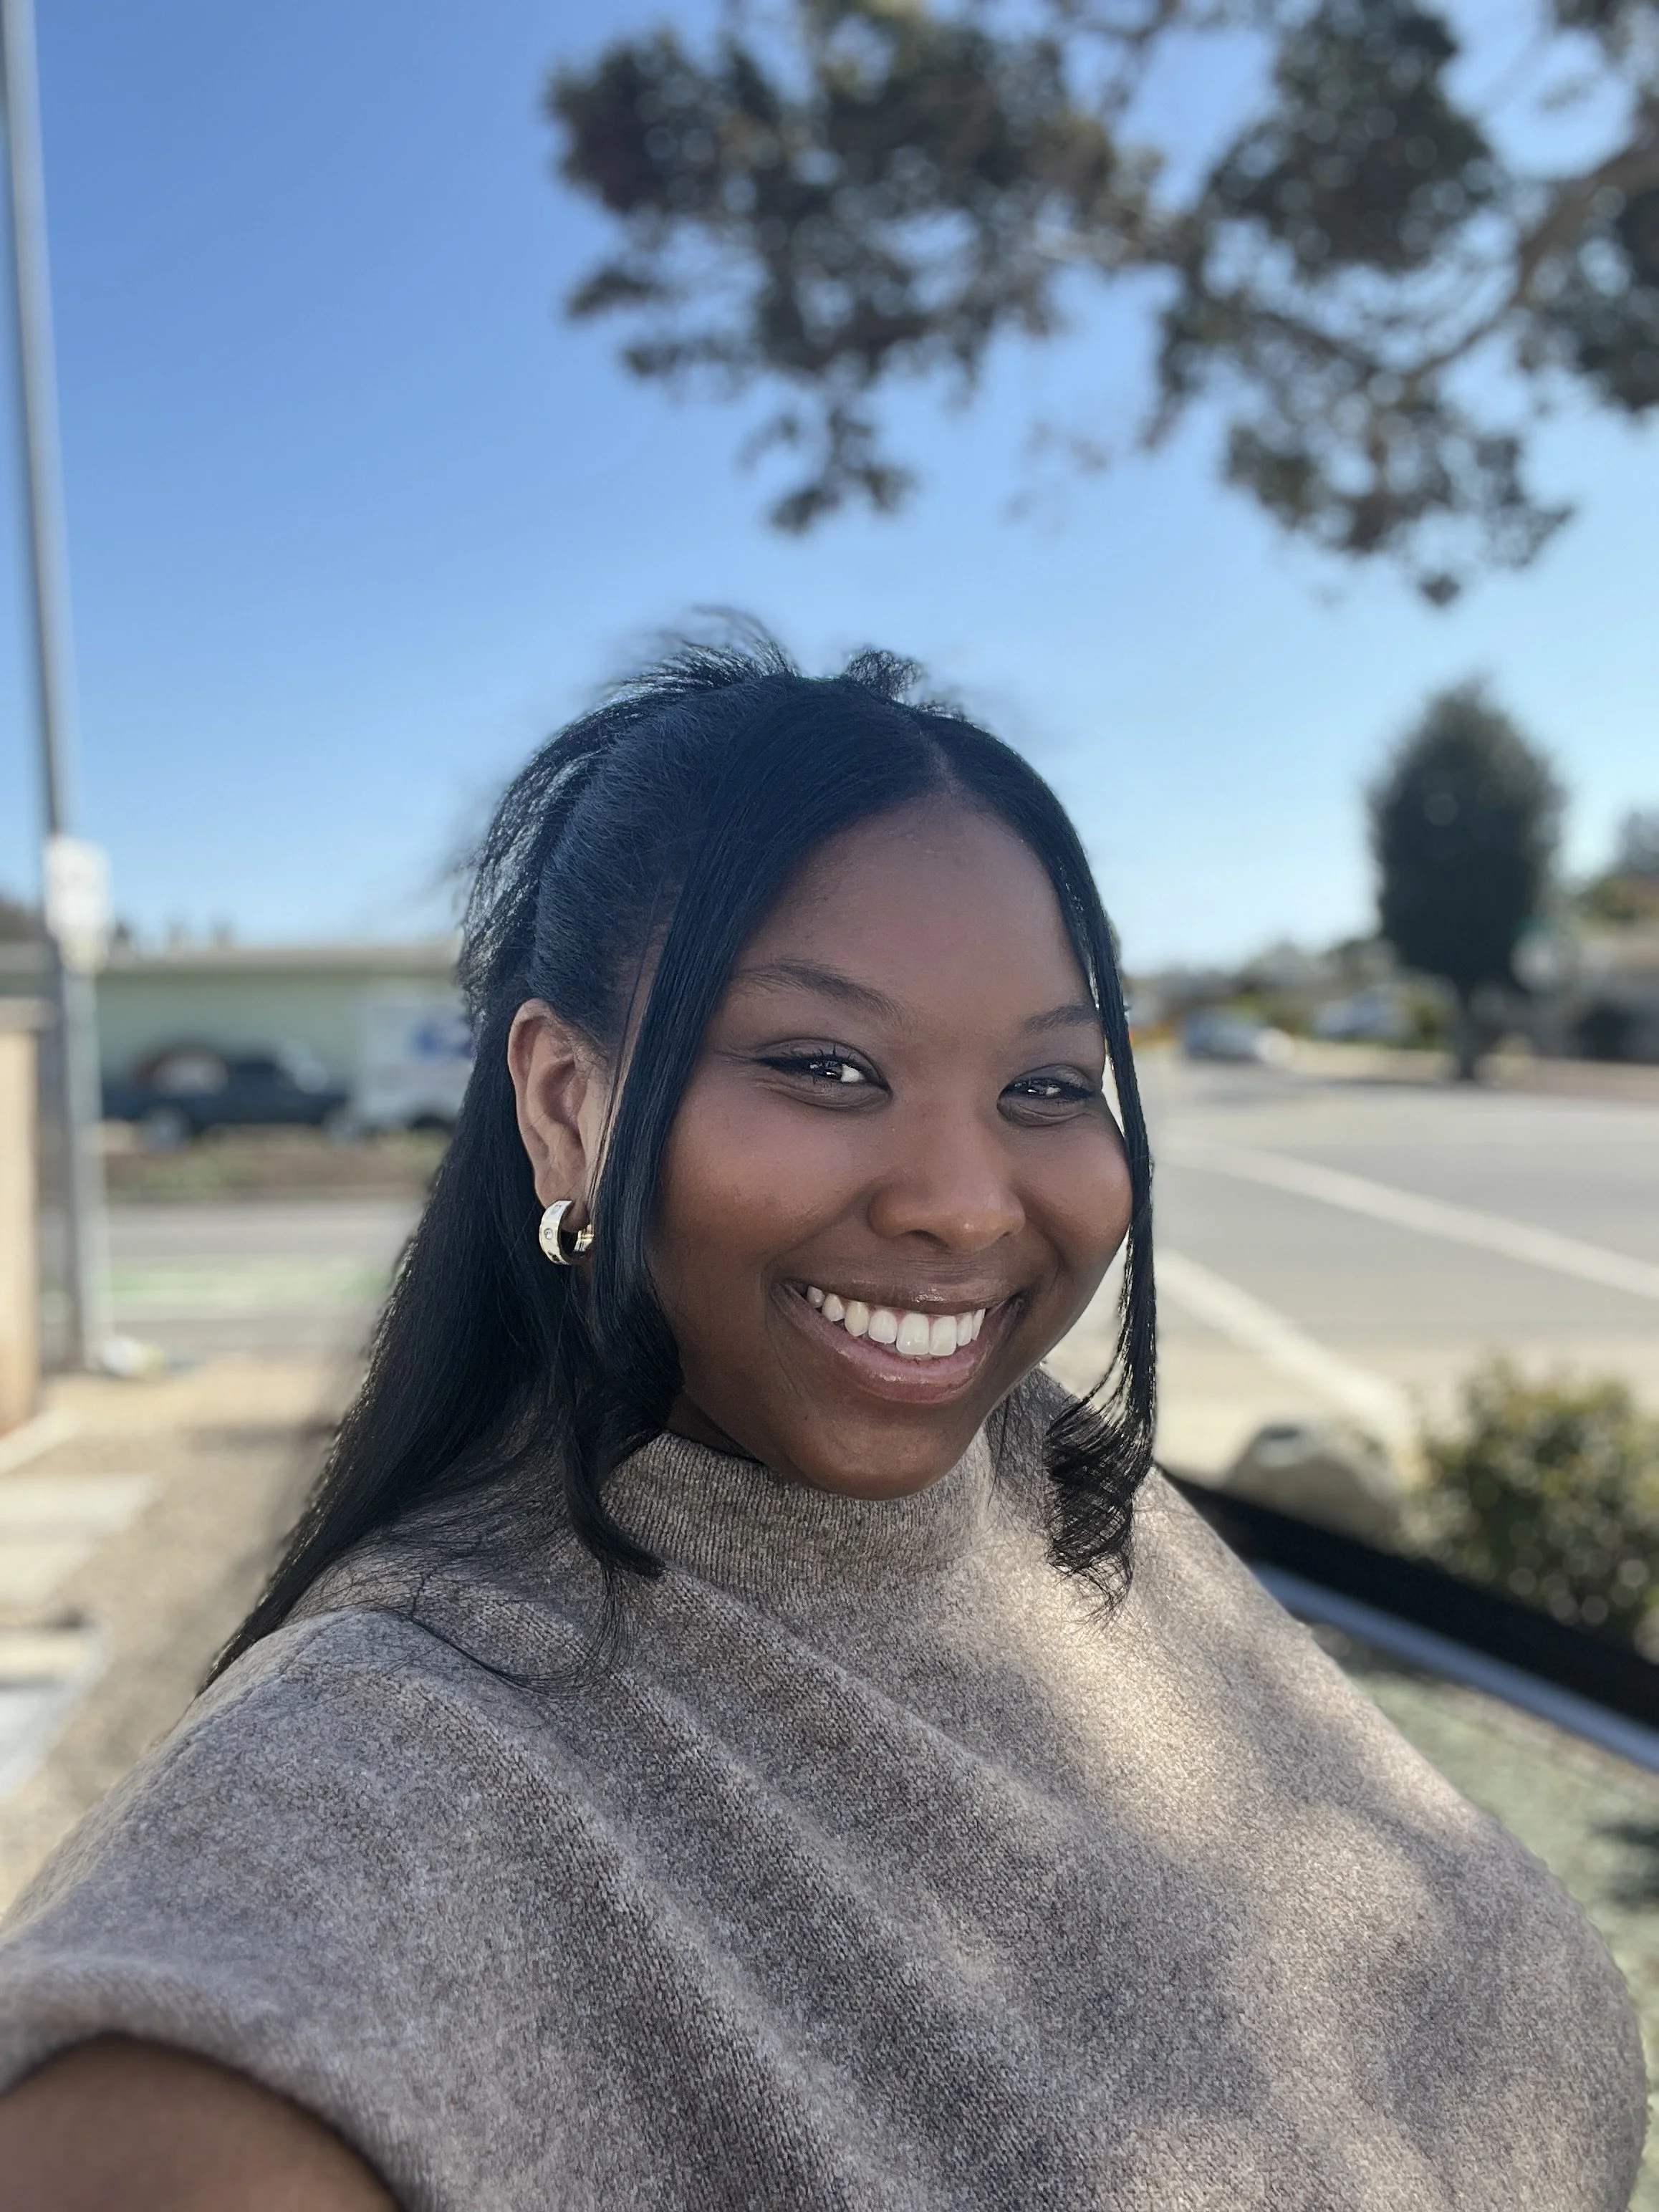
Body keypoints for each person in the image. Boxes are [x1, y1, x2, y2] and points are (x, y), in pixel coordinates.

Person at [0, 633, 1645, 2211]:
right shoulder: (369, 1809)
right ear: (566, 1105)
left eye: (1051, 1084)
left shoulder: (1051, 1479)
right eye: (826, 1064)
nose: (960, 1202)